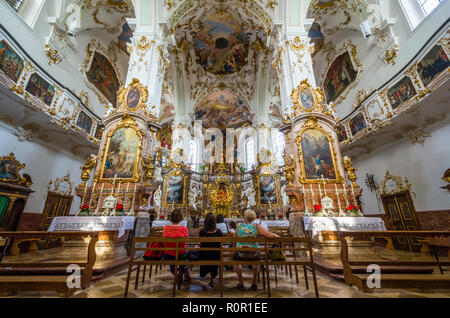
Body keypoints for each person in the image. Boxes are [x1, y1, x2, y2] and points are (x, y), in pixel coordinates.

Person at [234, 209, 279, 291]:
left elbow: (234, 238)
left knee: (237, 263)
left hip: (240, 254)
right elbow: (269, 235)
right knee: (257, 260)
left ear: (244, 217)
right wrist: (276, 235)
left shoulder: (239, 226)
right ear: (254, 217)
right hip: (253, 254)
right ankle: (254, 282)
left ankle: (241, 283)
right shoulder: (256, 226)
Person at [162, 209, 190, 286]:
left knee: (172, 257)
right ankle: (184, 271)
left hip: (168, 254)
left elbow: (164, 239)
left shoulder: (166, 228)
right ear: (181, 218)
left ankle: (177, 275)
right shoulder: (184, 228)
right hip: (181, 253)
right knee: (187, 255)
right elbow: (186, 240)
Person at [199, 213, 223, 287]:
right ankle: (212, 278)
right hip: (216, 255)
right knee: (213, 254)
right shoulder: (219, 232)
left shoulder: (202, 231)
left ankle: (205, 273)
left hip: (204, 255)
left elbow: (201, 243)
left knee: (206, 253)